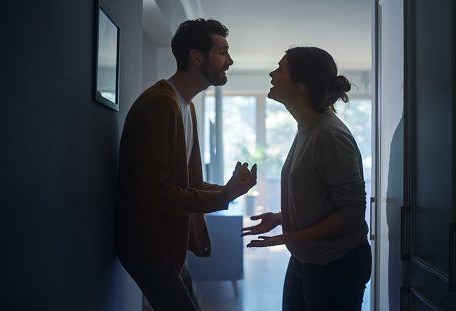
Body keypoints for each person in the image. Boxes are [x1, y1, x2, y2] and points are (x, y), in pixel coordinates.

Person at [116, 19, 257, 311]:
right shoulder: (160, 104)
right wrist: (225, 195)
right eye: (223, 52)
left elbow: (186, 183)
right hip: (150, 250)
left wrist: (229, 189)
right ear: (196, 57)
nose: (229, 61)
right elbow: (155, 192)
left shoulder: (185, 105)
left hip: (168, 250)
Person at [241, 47, 371, 311]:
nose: (271, 74)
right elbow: (319, 196)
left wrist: (289, 236)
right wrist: (282, 218)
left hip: (337, 264)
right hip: (308, 258)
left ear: (299, 86)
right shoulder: (308, 129)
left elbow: (352, 213)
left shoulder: (329, 135)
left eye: (279, 69)